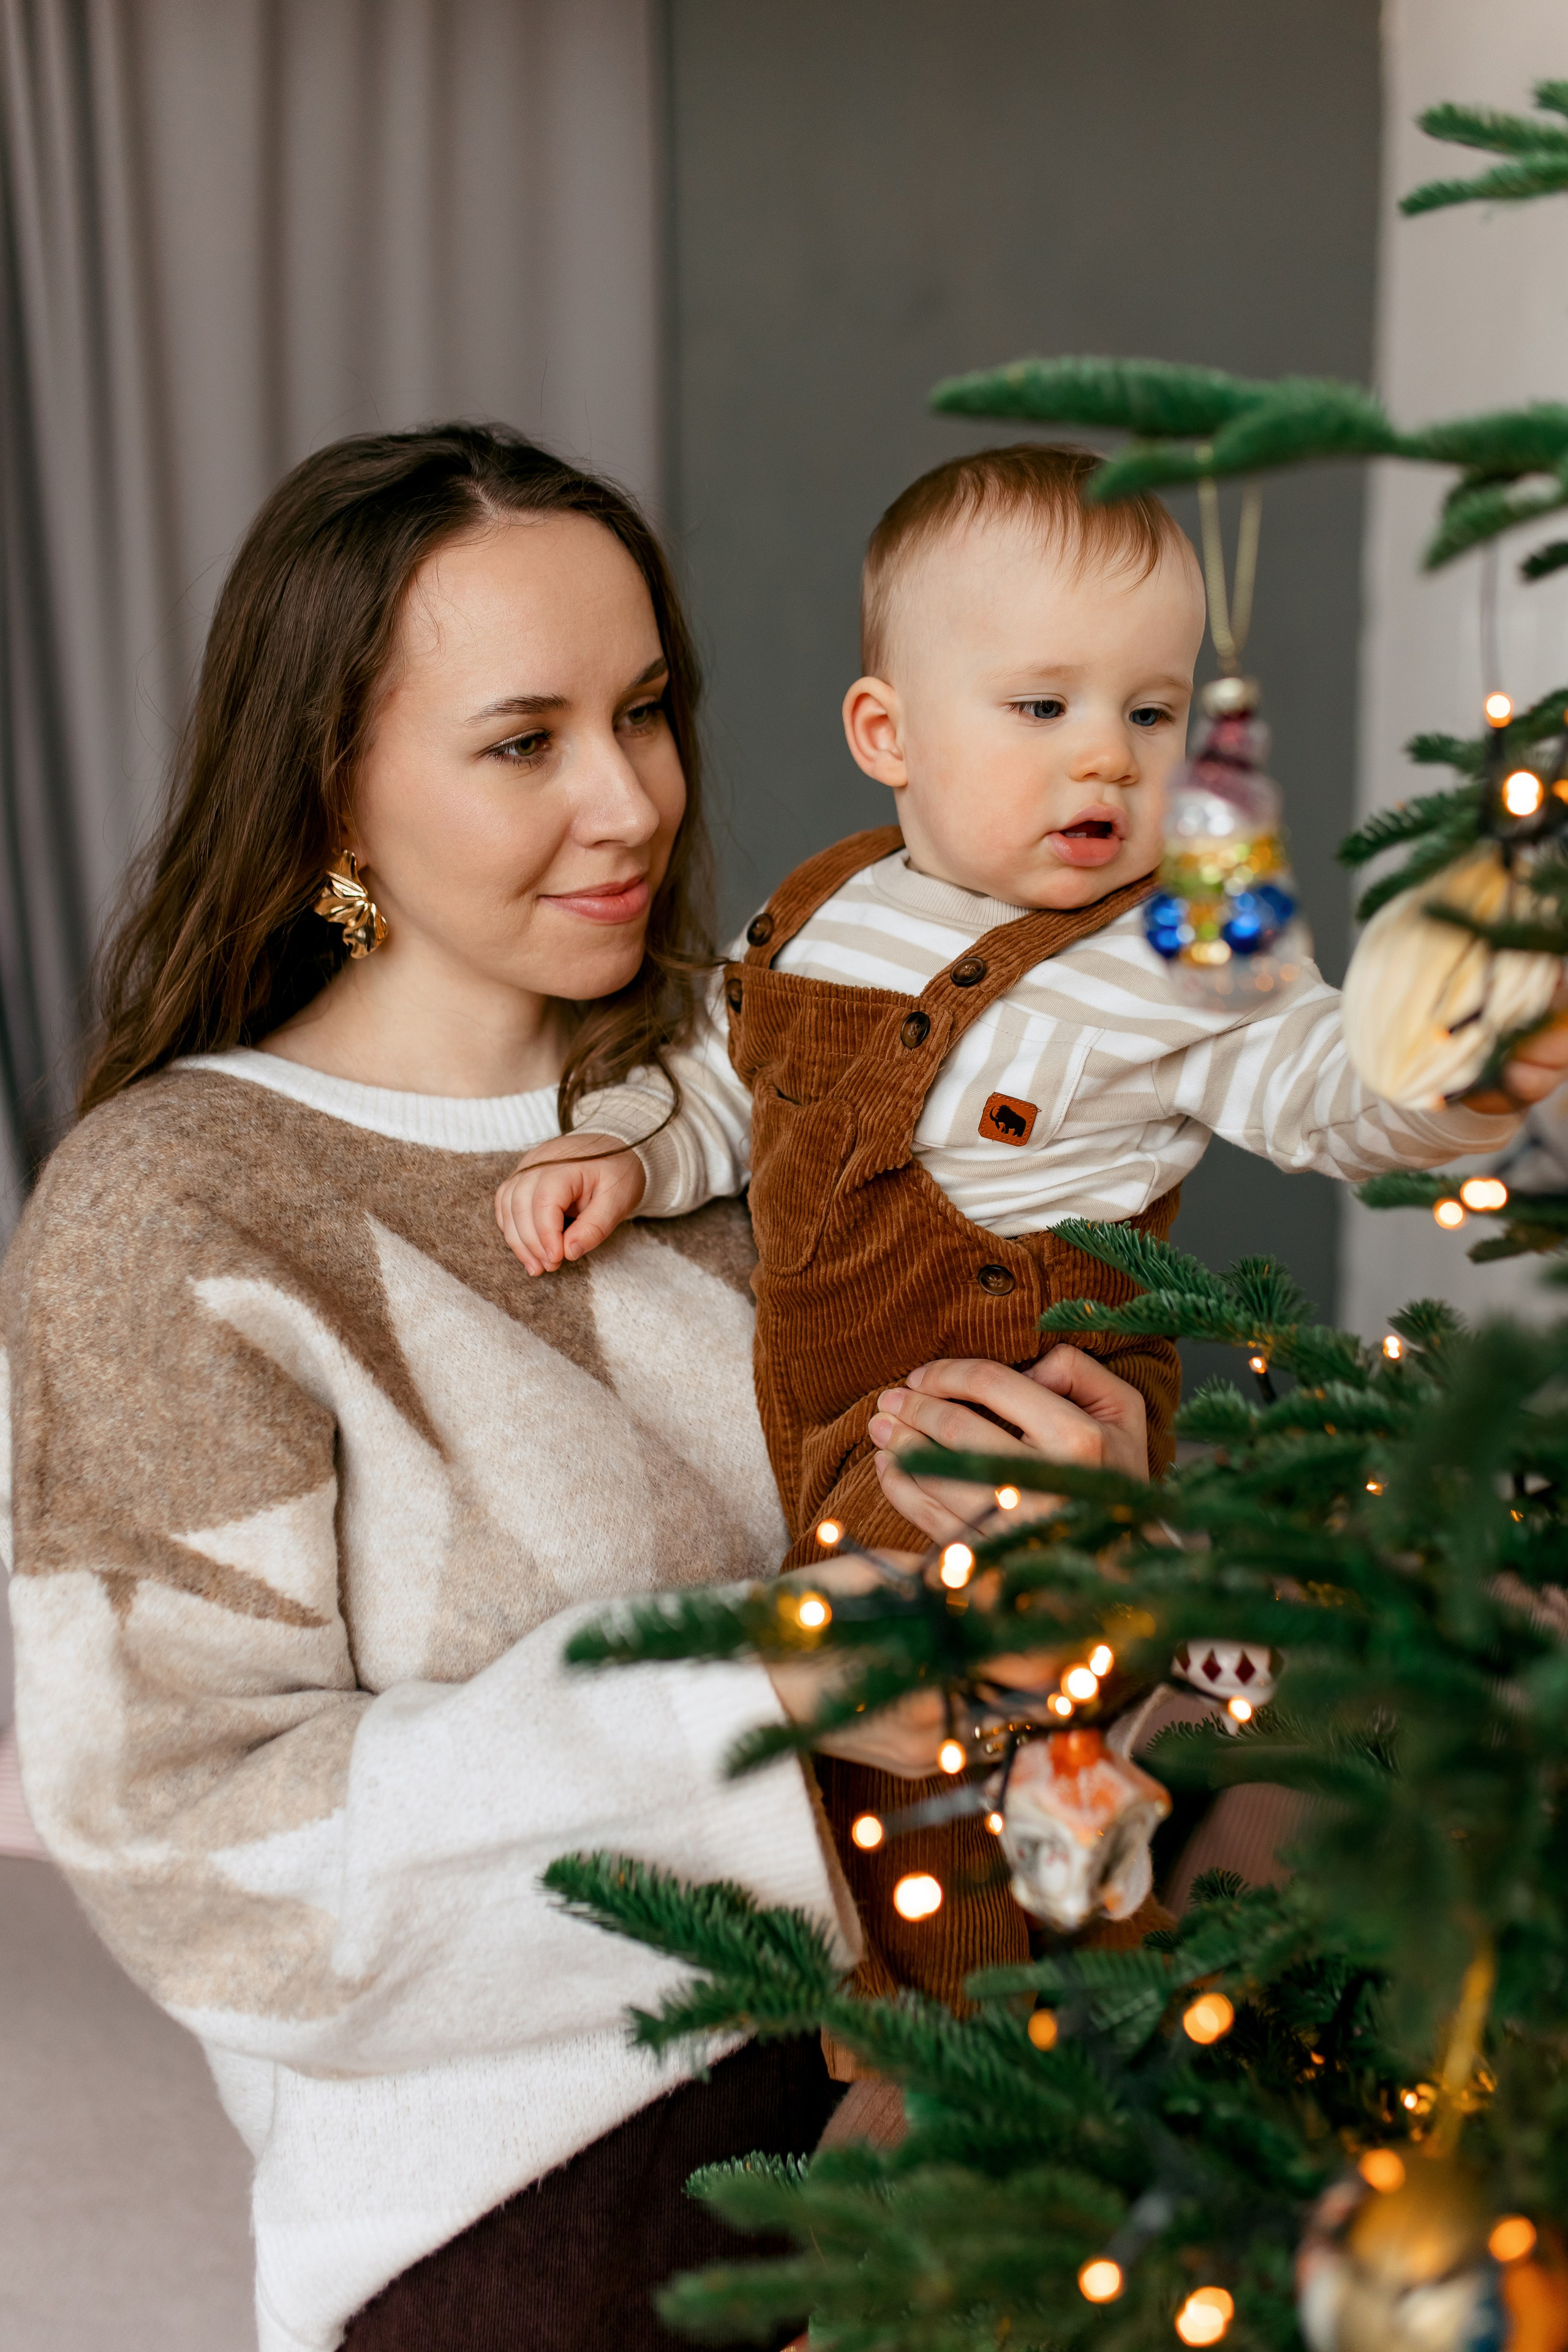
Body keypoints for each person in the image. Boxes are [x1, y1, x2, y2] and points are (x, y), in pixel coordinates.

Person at [0, 421, 1148, 2352]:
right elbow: (202, 1868)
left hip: (985, 2044)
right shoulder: (180, 1209)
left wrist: (1079, 1481)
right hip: (545, 2199)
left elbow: (984, 1469)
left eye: (646, 711)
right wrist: (769, 1698)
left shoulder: (771, 1087)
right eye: (525, 742)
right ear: (332, 790)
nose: (630, 802)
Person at [489, 442, 1568, 2013]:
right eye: (1043, 707)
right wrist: (631, 1153)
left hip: (1014, 1411)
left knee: (941, 1779)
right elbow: (727, 1078)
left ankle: (994, 2026)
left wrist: (1459, 1075)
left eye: (1152, 713)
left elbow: (1322, 1086)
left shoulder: (1179, 957)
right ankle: (1043, 1874)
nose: (1108, 762)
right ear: (888, 734)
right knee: (852, 1761)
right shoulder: (820, 911)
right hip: (830, 1419)